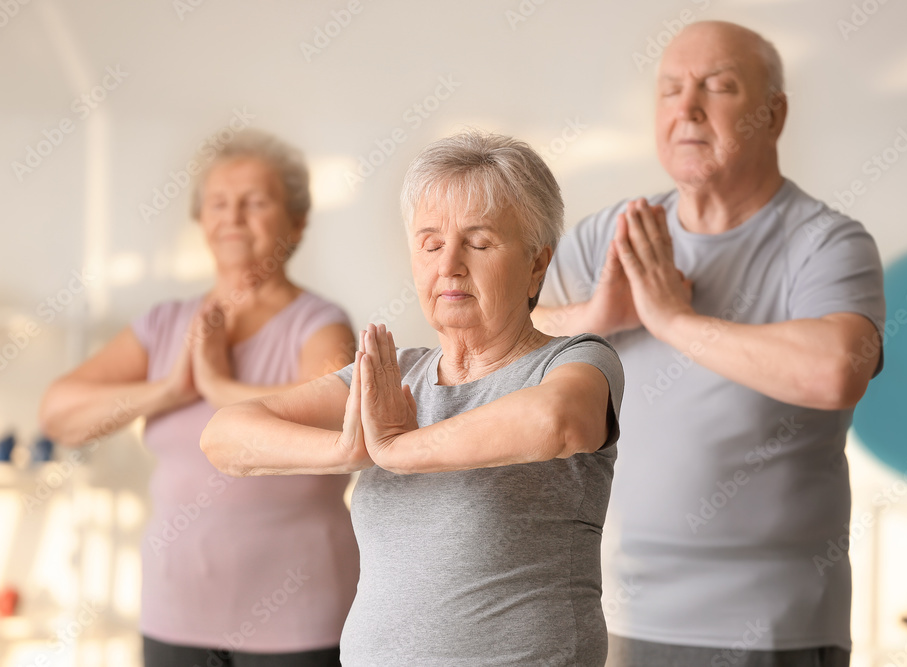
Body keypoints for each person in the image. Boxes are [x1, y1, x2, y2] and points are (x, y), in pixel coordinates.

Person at [533, 21, 886, 667]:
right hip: (618, 615)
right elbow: (510, 356)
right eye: (671, 89)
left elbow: (838, 368)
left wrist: (674, 321)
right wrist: (596, 314)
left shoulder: (827, 242)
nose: (687, 107)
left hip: (776, 627)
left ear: (773, 114)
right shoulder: (611, 236)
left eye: (718, 87)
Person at [201, 130, 626, 666]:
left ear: (537, 265)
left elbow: (556, 421)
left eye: (478, 242)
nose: (449, 264)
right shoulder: (398, 374)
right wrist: (347, 451)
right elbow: (225, 436)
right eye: (430, 243)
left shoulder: (573, 361)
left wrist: (399, 449)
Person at [38, 130, 359, 667]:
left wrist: (220, 390)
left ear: (297, 222)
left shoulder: (319, 324)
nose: (233, 216)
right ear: (201, 221)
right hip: (174, 613)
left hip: (300, 617)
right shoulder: (165, 326)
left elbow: (336, 417)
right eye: (218, 203)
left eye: (256, 202)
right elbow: (59, 415)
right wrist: (168, 390)